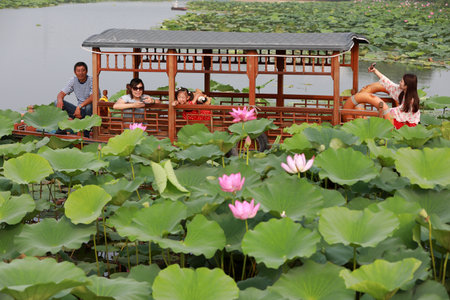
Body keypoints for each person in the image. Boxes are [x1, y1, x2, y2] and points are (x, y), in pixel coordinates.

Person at [344, 64, 420, 129]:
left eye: (402, 81)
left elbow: (400, 111)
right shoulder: (402, 92)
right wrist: (375, 71)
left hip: (409, 125)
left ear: (406, 86)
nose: (399, 82)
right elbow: (388, 83)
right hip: (401, 121)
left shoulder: (412, 100)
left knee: (385, 121)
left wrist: (384, 111)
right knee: (385, 119)